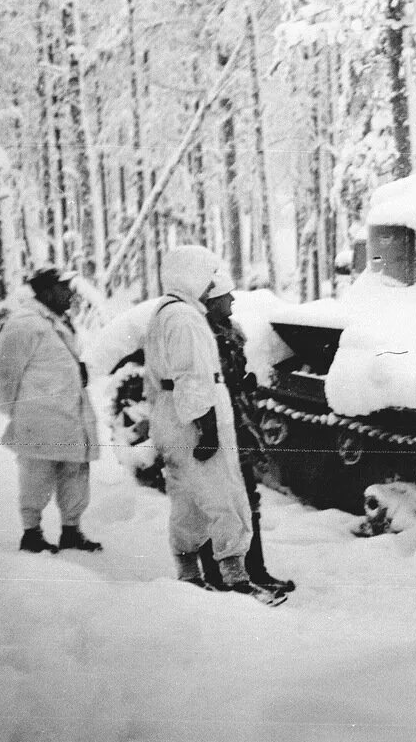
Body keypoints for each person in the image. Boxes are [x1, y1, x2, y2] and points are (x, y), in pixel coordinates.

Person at [142, 245, 283, 606]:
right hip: (195, 419)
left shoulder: (164, 313)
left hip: (174, 417)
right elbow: (193, 377)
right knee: (226, 498)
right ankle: (236, 580)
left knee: (188, 502)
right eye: (206, 274)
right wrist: (207, 427)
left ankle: (190, 575)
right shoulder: (187, 319)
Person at [0, 267, 103, 554]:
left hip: (71, 417)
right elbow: (3, 375)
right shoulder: (25, 323)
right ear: (48, 291)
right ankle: (31, 533)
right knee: (36, 476)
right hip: (39, 421)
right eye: (64, 288)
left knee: (75, 474)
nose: (71, 294)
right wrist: (20, 413)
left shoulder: (57, 322)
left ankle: (71, 531)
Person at [197, 283, 296, 595]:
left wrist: (244, 382)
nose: (233, 299)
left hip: (241, 423)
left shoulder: (231, 330)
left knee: (248, 498)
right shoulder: (202, 335)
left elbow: (236, 373)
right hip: (222, 424)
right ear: (212, 302)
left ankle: (255, 571)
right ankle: (217, 575)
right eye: (227, 296)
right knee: (220, 502)